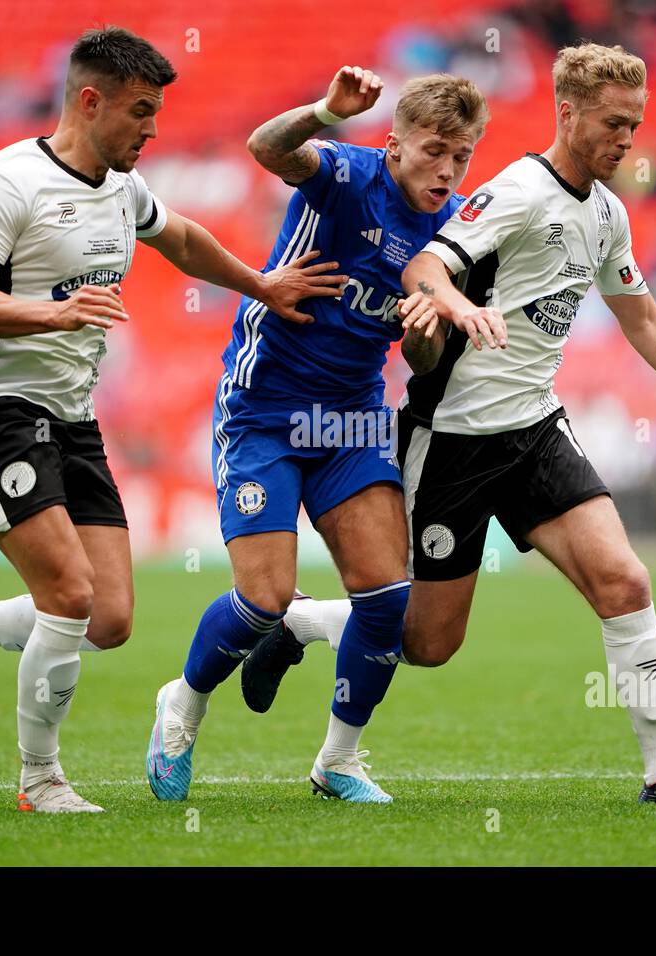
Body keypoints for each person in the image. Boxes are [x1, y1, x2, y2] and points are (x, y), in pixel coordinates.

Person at [245, 42, 656, 805]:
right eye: (612, 123)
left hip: (536, 430)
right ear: (567, 114)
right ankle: (301, 626)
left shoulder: (607, 213)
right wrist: (460, 305)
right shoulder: (517, 192)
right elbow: (424, 268)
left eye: (634, 125)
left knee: (625, 580)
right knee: (426, 643)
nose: (625, 140)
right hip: (452, 444)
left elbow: (642, 319)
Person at [0, 27, 345, 814]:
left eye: (156, 114)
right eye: (139, 112)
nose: (151, 130)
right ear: (89, 101)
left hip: (71, 419)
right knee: (67, 592)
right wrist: (51, 313)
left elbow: (187, 241)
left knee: (109, 617)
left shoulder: (123, 188)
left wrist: (261, 285)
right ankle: (40, 782)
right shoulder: (9, 180)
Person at [144, 67, 488, 804]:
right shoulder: (346, 173)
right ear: (394, 145)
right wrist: (329, 110)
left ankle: (339, 760)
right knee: (262, 597)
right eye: (434, 150)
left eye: (461, 156)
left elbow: (423, 361)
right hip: (264, 405)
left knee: (388, 597)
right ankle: (184, 704)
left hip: (354, 417)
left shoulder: (452, 231)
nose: (447, 170)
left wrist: (422, 333)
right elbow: (267, 149)